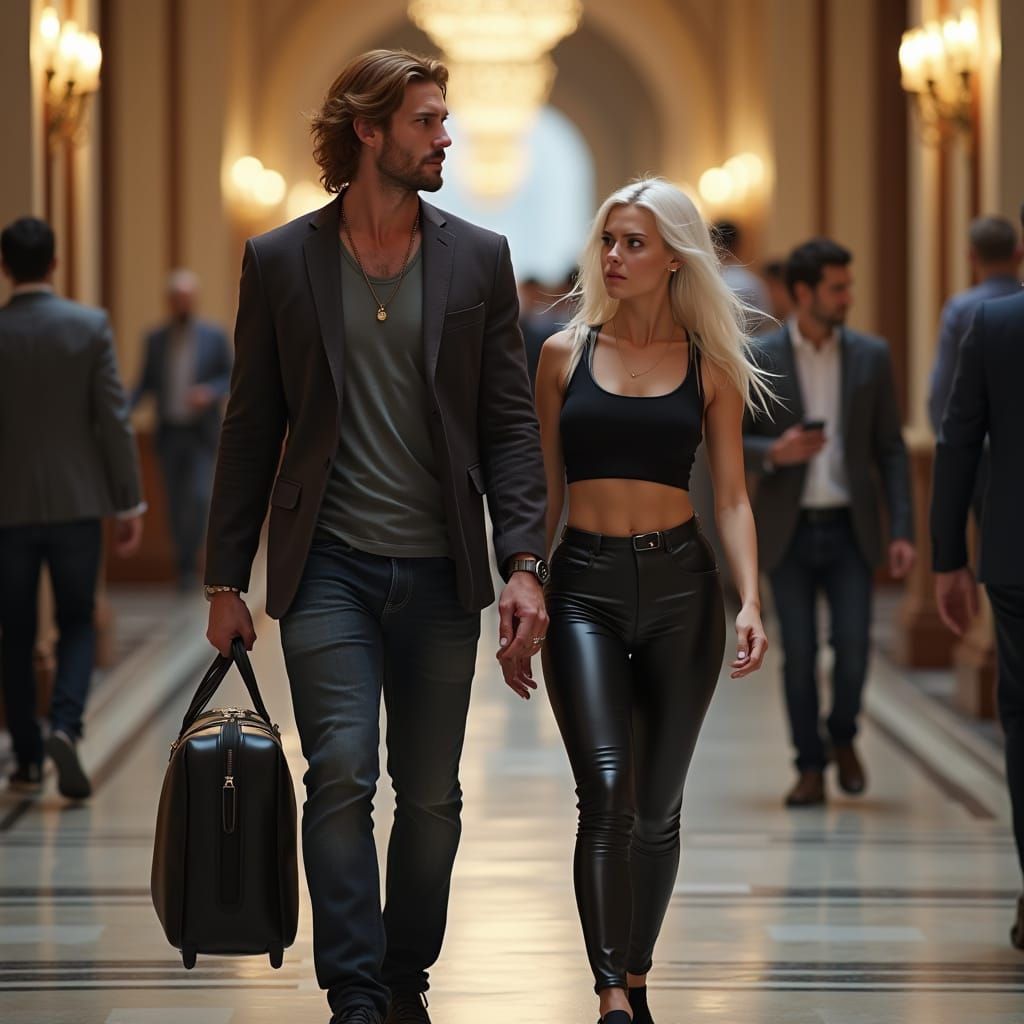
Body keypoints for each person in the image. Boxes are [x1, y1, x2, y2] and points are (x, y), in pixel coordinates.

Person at [202, 51, 547, 1024]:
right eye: (427, 120)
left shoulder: (477, 257)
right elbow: (249, 424)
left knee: (430, 794)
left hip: (441, 570)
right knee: (342, 771)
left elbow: (510, 424)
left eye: (443, 119)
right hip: (329, 569)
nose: (446, 137)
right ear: (368, 128)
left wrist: (525, 560)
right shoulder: (280, 261)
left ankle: (406, 974)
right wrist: (223, 579)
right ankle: (355, 989)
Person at [535, 177, 770, 1024]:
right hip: (583, 591)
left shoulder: (710, 366)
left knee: (657, 807)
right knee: (604, 790)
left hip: (683, 589)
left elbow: (734, 497)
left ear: (675, 256)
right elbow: (544, 494)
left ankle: (636, 973)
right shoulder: (564, 353)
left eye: (634, 242)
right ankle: (609, 996)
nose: (615, 257)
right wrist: (525, 583)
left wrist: (750, 601)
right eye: (608, 241)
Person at [742, 238, 915, 807]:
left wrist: (903, 532)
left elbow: (890, 449)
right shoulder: (760, 356)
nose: (849, 297)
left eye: (848, 286)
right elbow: (729, 442)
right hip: (787, 528)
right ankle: (809, 766)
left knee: (856, 648)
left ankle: (842, 736)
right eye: (838, 288)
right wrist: (776, 452)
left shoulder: (871, 355)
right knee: (797, 655)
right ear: (803, 292)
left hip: (850, 528)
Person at [0, 216, 144, 800]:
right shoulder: (88, 327)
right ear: (55, 264)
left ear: (6, 267)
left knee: (14, 631)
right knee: (78, 620)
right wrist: (128, 501)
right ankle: (65, 723)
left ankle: (28, 761)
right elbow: (113, 418)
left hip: (7, 509)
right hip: (78, 505)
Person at [931, 276, 1024, 952]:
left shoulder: (994, 325)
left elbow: (958, 441)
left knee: (1022, 724)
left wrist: (948, 558)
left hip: (1017, 557)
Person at [133, 270, 232, 590]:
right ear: (170, 302)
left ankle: (197, 558)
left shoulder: (213, 336)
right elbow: (145, 383)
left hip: (200, 433)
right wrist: (120, 410)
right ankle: (184, 566)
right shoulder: (155, 339)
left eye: (187, 299)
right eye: (177, 300)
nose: (182, 305)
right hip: (170, 432)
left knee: (200, 496)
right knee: (174, 501)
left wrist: (209, 392)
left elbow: (230, 377)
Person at [927, 215, 1021, 433]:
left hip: (981, 444)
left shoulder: (961, 310)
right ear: (1019, 253)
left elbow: (945, 384)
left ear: (971, 256)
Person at [712, 219, 772, 334]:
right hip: (750, 347)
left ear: (714, 244)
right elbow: (765, 323)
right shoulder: (753, 283)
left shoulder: (707, 282)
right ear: (739, 245)